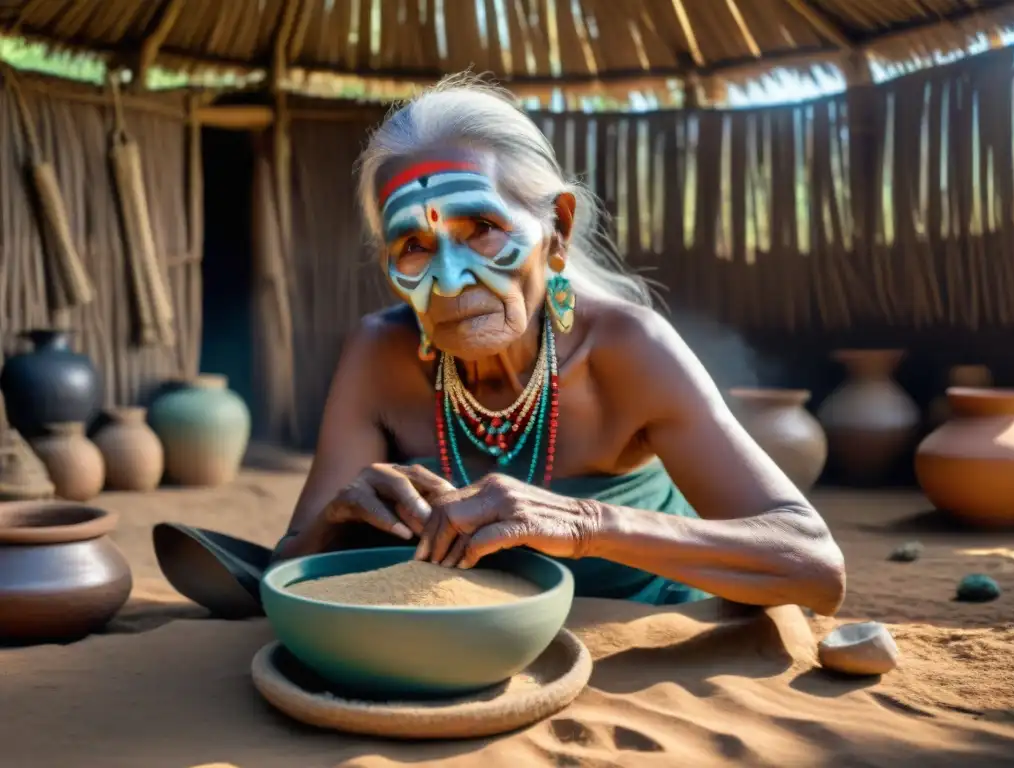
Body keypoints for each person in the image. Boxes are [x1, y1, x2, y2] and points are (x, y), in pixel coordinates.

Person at [154, 76, 845, 617]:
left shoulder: (627, 349)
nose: (451, 280)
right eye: (414, 246)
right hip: (449, 664)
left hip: (635, 662)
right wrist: (339, 519)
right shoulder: (377, 353)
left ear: (557, 230)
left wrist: (582, 522)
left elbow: (814, 566)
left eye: (481, 227)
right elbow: (286, 576)